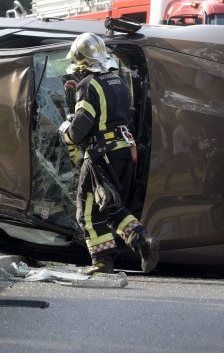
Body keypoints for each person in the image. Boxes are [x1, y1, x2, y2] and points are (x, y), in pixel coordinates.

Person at [59, 32, 159, 274]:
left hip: (100, 155)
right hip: (124, 152)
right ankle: (117, 253)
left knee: (87, 210)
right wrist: (74, 95)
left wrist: (66, 133)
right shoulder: (117, 81)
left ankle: (134, 242)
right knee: (108, 206)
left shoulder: (88, 85)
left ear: (82, 62)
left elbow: (81, 127)